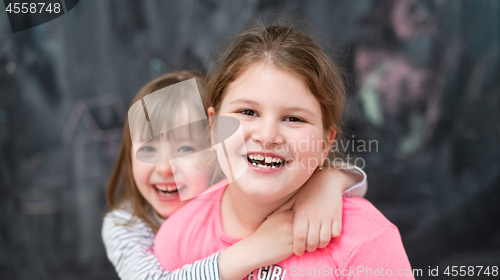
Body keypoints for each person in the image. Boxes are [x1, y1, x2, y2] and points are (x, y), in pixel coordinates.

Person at [154, 24, 414, 279]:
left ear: (325, 143)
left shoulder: (364, 239)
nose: (267, 137)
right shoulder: (176, 238)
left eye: (293, 119)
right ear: (213, 128)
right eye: (247, 112)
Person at [102, 71, 368, 280]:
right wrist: (256, 249)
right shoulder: (125, 225)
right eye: (148, 149)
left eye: (184, 149)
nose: (164, 167)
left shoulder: (241, 186)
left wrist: (328, 181)